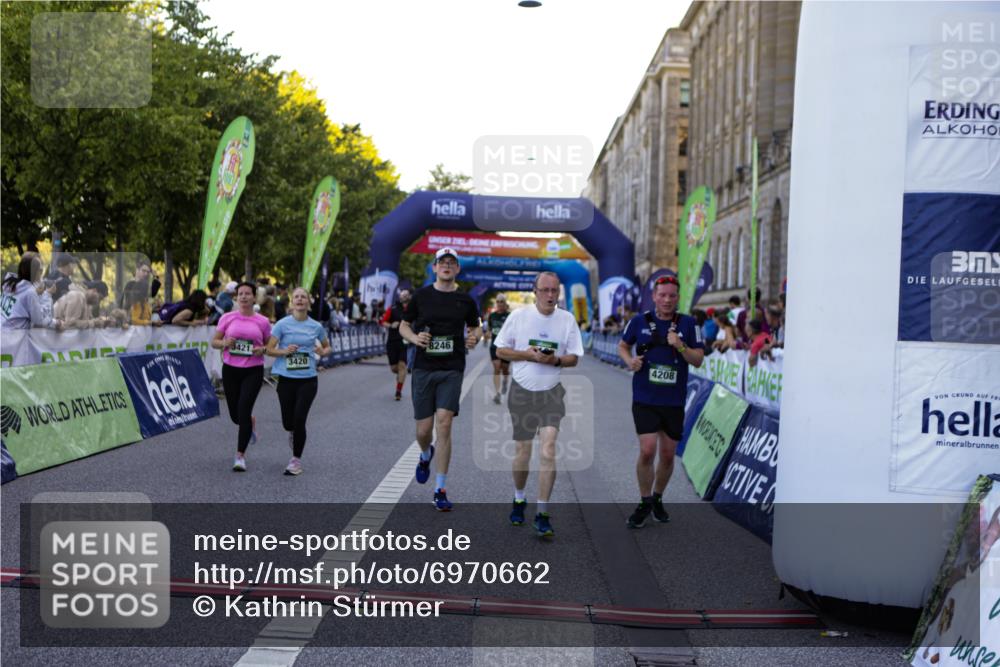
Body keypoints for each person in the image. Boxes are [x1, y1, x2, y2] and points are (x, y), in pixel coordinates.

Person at [495, 272, 583, 538]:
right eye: (544, 290)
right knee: (523, 451)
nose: (549, 295)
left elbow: (574, 358)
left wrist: (555, 361)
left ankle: (542, 512)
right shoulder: (519, 317)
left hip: (551, 393)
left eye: (554, 290)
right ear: (535, 291)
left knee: (548, 449)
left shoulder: (567, 320)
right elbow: (500, 350)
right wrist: (527, 355)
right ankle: (519, 498)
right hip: (522, 392)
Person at [618, 275, 705, 528]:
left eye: (672, 296)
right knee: (647, 451)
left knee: (667, 456)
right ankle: (644, 501)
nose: (667, 300)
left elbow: (698, 359)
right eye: (662, 295)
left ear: (678, 298)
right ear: (654, 296)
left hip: (674, 401)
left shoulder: (689, 324)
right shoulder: (638, 321)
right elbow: (623, 346)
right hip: (645, 397)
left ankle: (657, 498)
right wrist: (629, 361)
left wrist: (679, 346)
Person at [399, 247, 481, 511]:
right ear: (434, 268)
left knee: (444, 425)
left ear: (457, 269)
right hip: (424, 367)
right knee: (424, 431)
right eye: (442, 262)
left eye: (451, 263)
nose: (446, 266)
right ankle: (425, 454)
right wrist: (414, 338)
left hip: (452, 367)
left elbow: (476, 326)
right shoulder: (421, 296)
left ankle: (440, 488)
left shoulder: (466, 300)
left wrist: (475, 336)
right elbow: (404, 325)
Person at [266, 287, 331, 475]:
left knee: (300, 419)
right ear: (291, 302)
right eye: (297, 297)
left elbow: (327, 347)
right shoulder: (282, 325)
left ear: (308, 302)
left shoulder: (316, 326)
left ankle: (295, 461)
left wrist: (322, 351)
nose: (300, 299)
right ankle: (293, 432)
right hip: (286, 378)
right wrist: (284, 351)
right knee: (289, 423)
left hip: (308, 379)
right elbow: (269, 349)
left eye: (303, 297)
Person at [211, 282, 271, 471]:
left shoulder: (262, 321)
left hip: (253, 370)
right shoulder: (227, 318)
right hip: (231, 370)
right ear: (236, 297)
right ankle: (250, 422)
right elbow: (214, 342)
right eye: (240, 294)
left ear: (254, 297)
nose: (244, 297)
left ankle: (240, 456)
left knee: (243, 410)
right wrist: (224, 342)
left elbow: (270, 346)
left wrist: (262, 349)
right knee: (236, 417)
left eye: (248, 294)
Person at [1, 252, 60, 330]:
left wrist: (36, 293)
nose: (42, 272)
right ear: (33, 272)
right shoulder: (30, 292)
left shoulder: (10, 283)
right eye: (40, 270)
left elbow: (20, 305)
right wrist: (48, 294)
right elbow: (40, 321)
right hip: (16, 339)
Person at [381, 288, 413, 401]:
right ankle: (400, 376)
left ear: (409, 296)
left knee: (402, 366)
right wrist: (390, 325)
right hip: (392, 341)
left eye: (405, 294)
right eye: (402, 294)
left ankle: (398, 391)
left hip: (405, 341)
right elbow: (383, 321)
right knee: (394, 368)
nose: (403, 295)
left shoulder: (413, 309)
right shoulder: (393, 308)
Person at [485, 293, 512, 404]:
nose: (500, 303)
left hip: (506, 347)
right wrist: (487, 334)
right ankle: (497, 393)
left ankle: (505, 380)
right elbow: (490, 329)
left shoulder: (510, 316)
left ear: (506, 303)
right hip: (494, 346)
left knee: (505, 369)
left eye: (502, 301)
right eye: (498, 301)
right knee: (497, 368)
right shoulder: (492, 316)